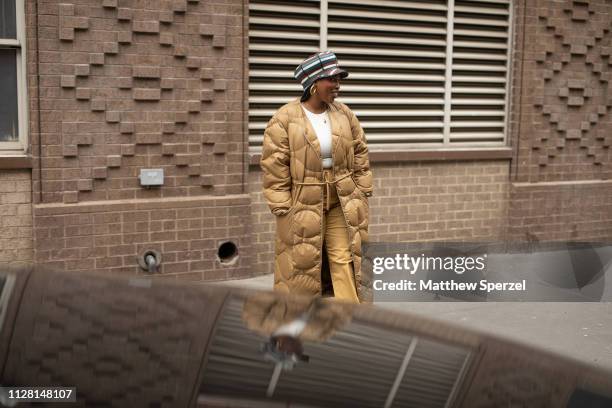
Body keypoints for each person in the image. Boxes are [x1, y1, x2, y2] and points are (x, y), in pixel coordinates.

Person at [260, 51, 373, 303]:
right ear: (313, 84)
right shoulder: (284, 118)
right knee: (301, 264)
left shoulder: (344, 113)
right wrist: (282, 205)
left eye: (338, 79)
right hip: (302, 200)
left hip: (341, 198)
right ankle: (299, 323)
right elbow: (274, 164)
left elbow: (360, 150)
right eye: (331, 79)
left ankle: (351, 320)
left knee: (346, 257)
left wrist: (362, 189)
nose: (337, 85)